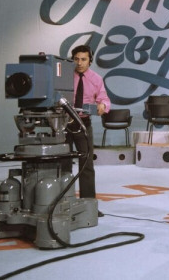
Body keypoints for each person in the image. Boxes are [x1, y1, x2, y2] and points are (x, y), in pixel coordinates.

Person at [66, 45, 110, 215]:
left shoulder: (96, 79)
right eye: (76, 59)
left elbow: (104, 98)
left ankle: (89, 205)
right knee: (62, 164)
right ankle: (62, 203)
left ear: (90, 61)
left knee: (86, 164)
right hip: (63, 124)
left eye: (83, 59)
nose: (79, 63)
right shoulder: (64, 76)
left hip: (83, 124)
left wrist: (102, 105)